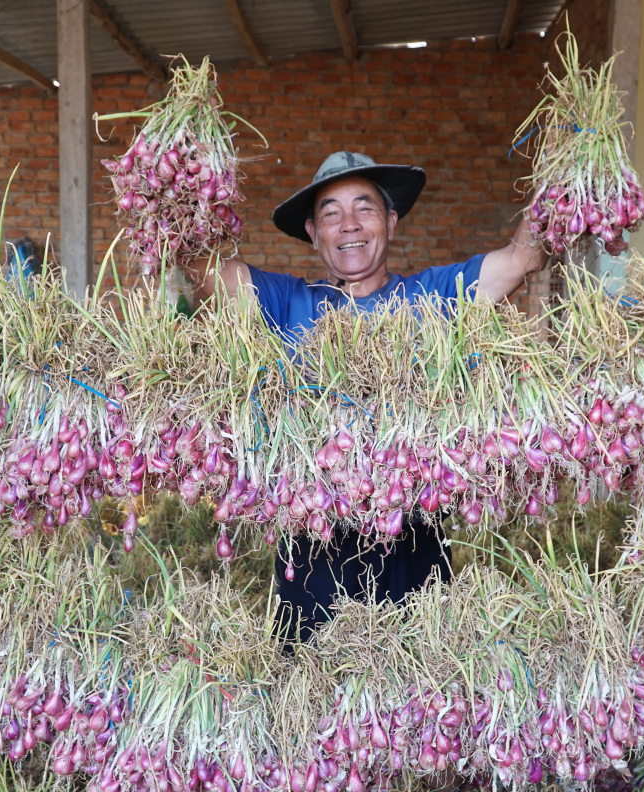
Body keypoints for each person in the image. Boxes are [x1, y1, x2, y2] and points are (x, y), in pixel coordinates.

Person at [186, 151, 548, 643]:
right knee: (311, 681)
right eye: (331, 213)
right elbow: (203, 271)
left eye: (364, 208)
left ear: (391, 222)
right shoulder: (286, 303)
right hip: (312, 556)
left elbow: (525, 258)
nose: (349, 224)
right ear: (313, 232)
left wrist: (561, 175)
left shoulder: (434, 296)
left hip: (413, 546)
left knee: (421, 678)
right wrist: (186, 182)